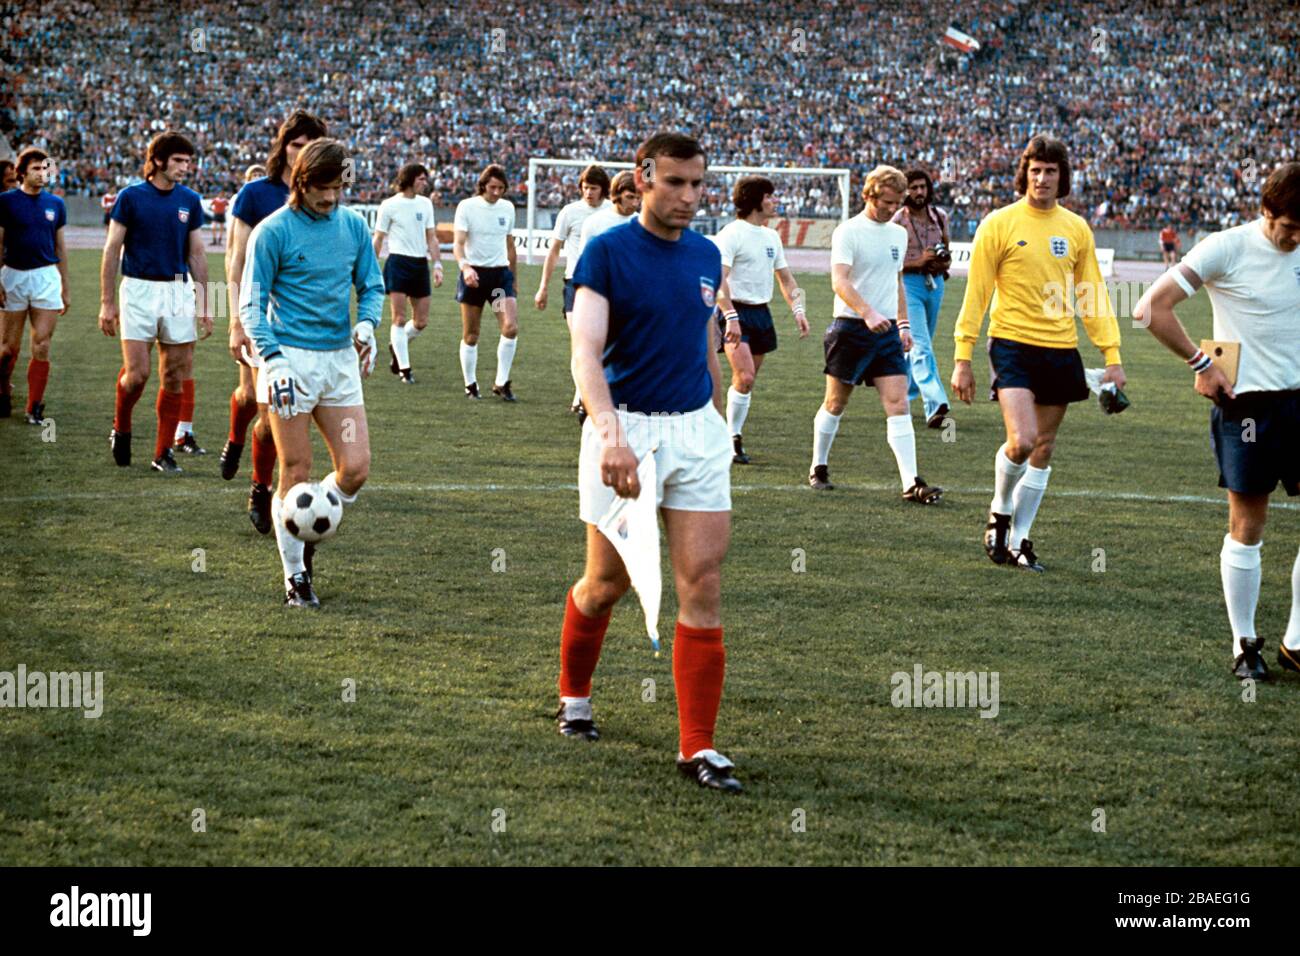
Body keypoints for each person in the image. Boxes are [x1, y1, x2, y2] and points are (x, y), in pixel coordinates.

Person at [559, 132, 742, 792]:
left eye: (698, 184)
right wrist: (609, 435)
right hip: (625, 428)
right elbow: (586, 353)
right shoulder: (605, 252)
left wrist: (718, 423)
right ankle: (574, 697)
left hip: (695, 431)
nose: (690, 197)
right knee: (605, 583)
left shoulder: (706, 253)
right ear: (642, 179)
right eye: (675, 183)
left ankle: (698, 747)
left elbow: (701, 344)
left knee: (703, 582)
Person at [1133, 162, 1300, 681]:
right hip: (1248, 408)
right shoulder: (1225, 247)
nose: (1295, 238)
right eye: (1288, 228)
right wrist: (1201, 364)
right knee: (1249, 525)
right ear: (1265, 210)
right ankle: (1244, 645)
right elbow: (1151, 307)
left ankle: (1296, 642)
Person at [951, 134, 1125, 572]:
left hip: (1060, 348)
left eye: (1051, 171)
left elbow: (1092, 295)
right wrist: (962, 356)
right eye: (1035, 170)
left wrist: (1113, 354)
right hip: (1011, 345)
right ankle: (999, 513)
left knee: (1044, 448)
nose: (1042, 178)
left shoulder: (1076, 228)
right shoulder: (999, 223)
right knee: (1022, 440)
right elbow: (977, 293)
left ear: (1062, 176)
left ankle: (1021, 540)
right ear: (1024, 174)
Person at [240, 139, 384, 608]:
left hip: (339, 362)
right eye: (322, 188)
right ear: (301, 182)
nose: (331, 197)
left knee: (356, 468)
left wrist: (366, 323)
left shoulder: (353, 226)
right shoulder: (273, 231)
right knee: (296, 469)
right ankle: (295, 576)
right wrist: (273, 360)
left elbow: (373, 285)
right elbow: (250, 305)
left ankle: (306, 514)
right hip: (289, 364)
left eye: (337, 187)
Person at [808, 165, 943, 505]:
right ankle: (818, 466)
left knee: (898, 404)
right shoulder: (848, 232)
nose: (892, 208)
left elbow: (897, 282)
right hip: (851, 327)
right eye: (887, 201)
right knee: (836, 403)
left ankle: (911, 482)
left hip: (887, 334)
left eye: (898, 201)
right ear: (868, 195)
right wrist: (867, 312)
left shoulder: (897, 233)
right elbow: (839, 281)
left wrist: (904, 324)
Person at [221, 110, 328, 537]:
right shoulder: (255, 195)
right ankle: (234, 437)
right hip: (256, 312)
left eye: (310, 146)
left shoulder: (323, 198)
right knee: (249, 398)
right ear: (283, 146)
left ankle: (260, 487)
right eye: (295, 144)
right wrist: (234, 320)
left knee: (270, 417)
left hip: (298, 322)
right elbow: (235, 263)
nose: (301, 153)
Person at [98, 130, 212, 474]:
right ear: (159, 160)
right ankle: (122, 425)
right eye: (178, 160)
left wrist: (206, 303)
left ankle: (163, 452)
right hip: (138, 289)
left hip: (177, 290)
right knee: (137, 375)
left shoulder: (189, 200)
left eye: (188, 161)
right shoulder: (131, 197)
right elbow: (111, 249)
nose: (184, 167)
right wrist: (107, 301)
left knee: (174, 375)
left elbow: (196, 252)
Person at [713, 175, 808, 464]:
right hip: (734, 311)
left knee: (746, 383)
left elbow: (787, 279)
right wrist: (730, 316)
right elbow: (719, 280)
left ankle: (732, 433)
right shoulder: (731, 234)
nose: (774, 201)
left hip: (761, 313)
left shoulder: (771, 236)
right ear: (755, 200)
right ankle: (730, 440)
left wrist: (799, 309)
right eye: (769, 196)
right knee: (745, 376)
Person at [533, 164, 610, 415]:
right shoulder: (570, 212)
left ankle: (589, 395)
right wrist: (543, 286)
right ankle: (581, 396)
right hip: (575, 283)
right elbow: (554, 250)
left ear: (603, 190)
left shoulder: (612, 212)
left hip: (606, 286)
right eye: (585, 188)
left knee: (603, 344)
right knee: (581, 341)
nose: (589, 193)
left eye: (594, 188)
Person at [0, 148, 69, 423]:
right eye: (36, 169)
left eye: (45, 169)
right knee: (7, 350)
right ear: (21, 173)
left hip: (45, 277)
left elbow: (61, 247)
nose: (42, 174)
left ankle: (34, 407)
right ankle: (3, 391)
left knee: (41, 344)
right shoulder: (6, 201)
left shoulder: (55, 204)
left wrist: (66, 286)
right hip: (13, 275)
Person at [892, 168, 952, 428]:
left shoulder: (939, 216)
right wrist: (919, 261)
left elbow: (947, 249)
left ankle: (900, 396)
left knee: (916, 346)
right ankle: (935, 403)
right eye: (913, 187)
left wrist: (941, 262)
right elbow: (891, 261)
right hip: (908, 285)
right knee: (920, 345)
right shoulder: (896, 221)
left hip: (935, 284)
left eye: (922, 187)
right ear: (905, 191)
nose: (919, 192)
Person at [452, 164, 518, 400]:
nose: (497, 192)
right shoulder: (467, 207)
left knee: (510, 327)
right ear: (482, 186)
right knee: (471, 334)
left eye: (501, 188)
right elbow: (458, 244)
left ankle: (501, 382)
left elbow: (510, 245)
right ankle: (470, 385)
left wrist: (514, 278)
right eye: (492, 187)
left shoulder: (508, 208)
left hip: (499, 279)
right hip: (474, 278)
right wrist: (465, 267)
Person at [373, 162, 443, 384]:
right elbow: (379, 237)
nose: (425, 183)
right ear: (410, 179)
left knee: (421, 321)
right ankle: (405, 369)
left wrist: (438, 264)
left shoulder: (425, 204)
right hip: (398, 263)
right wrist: (370, 265)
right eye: (421, 179)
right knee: (399, 318)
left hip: (419, 264)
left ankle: (397, 345)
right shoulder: (389, 205)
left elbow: (431, 237)